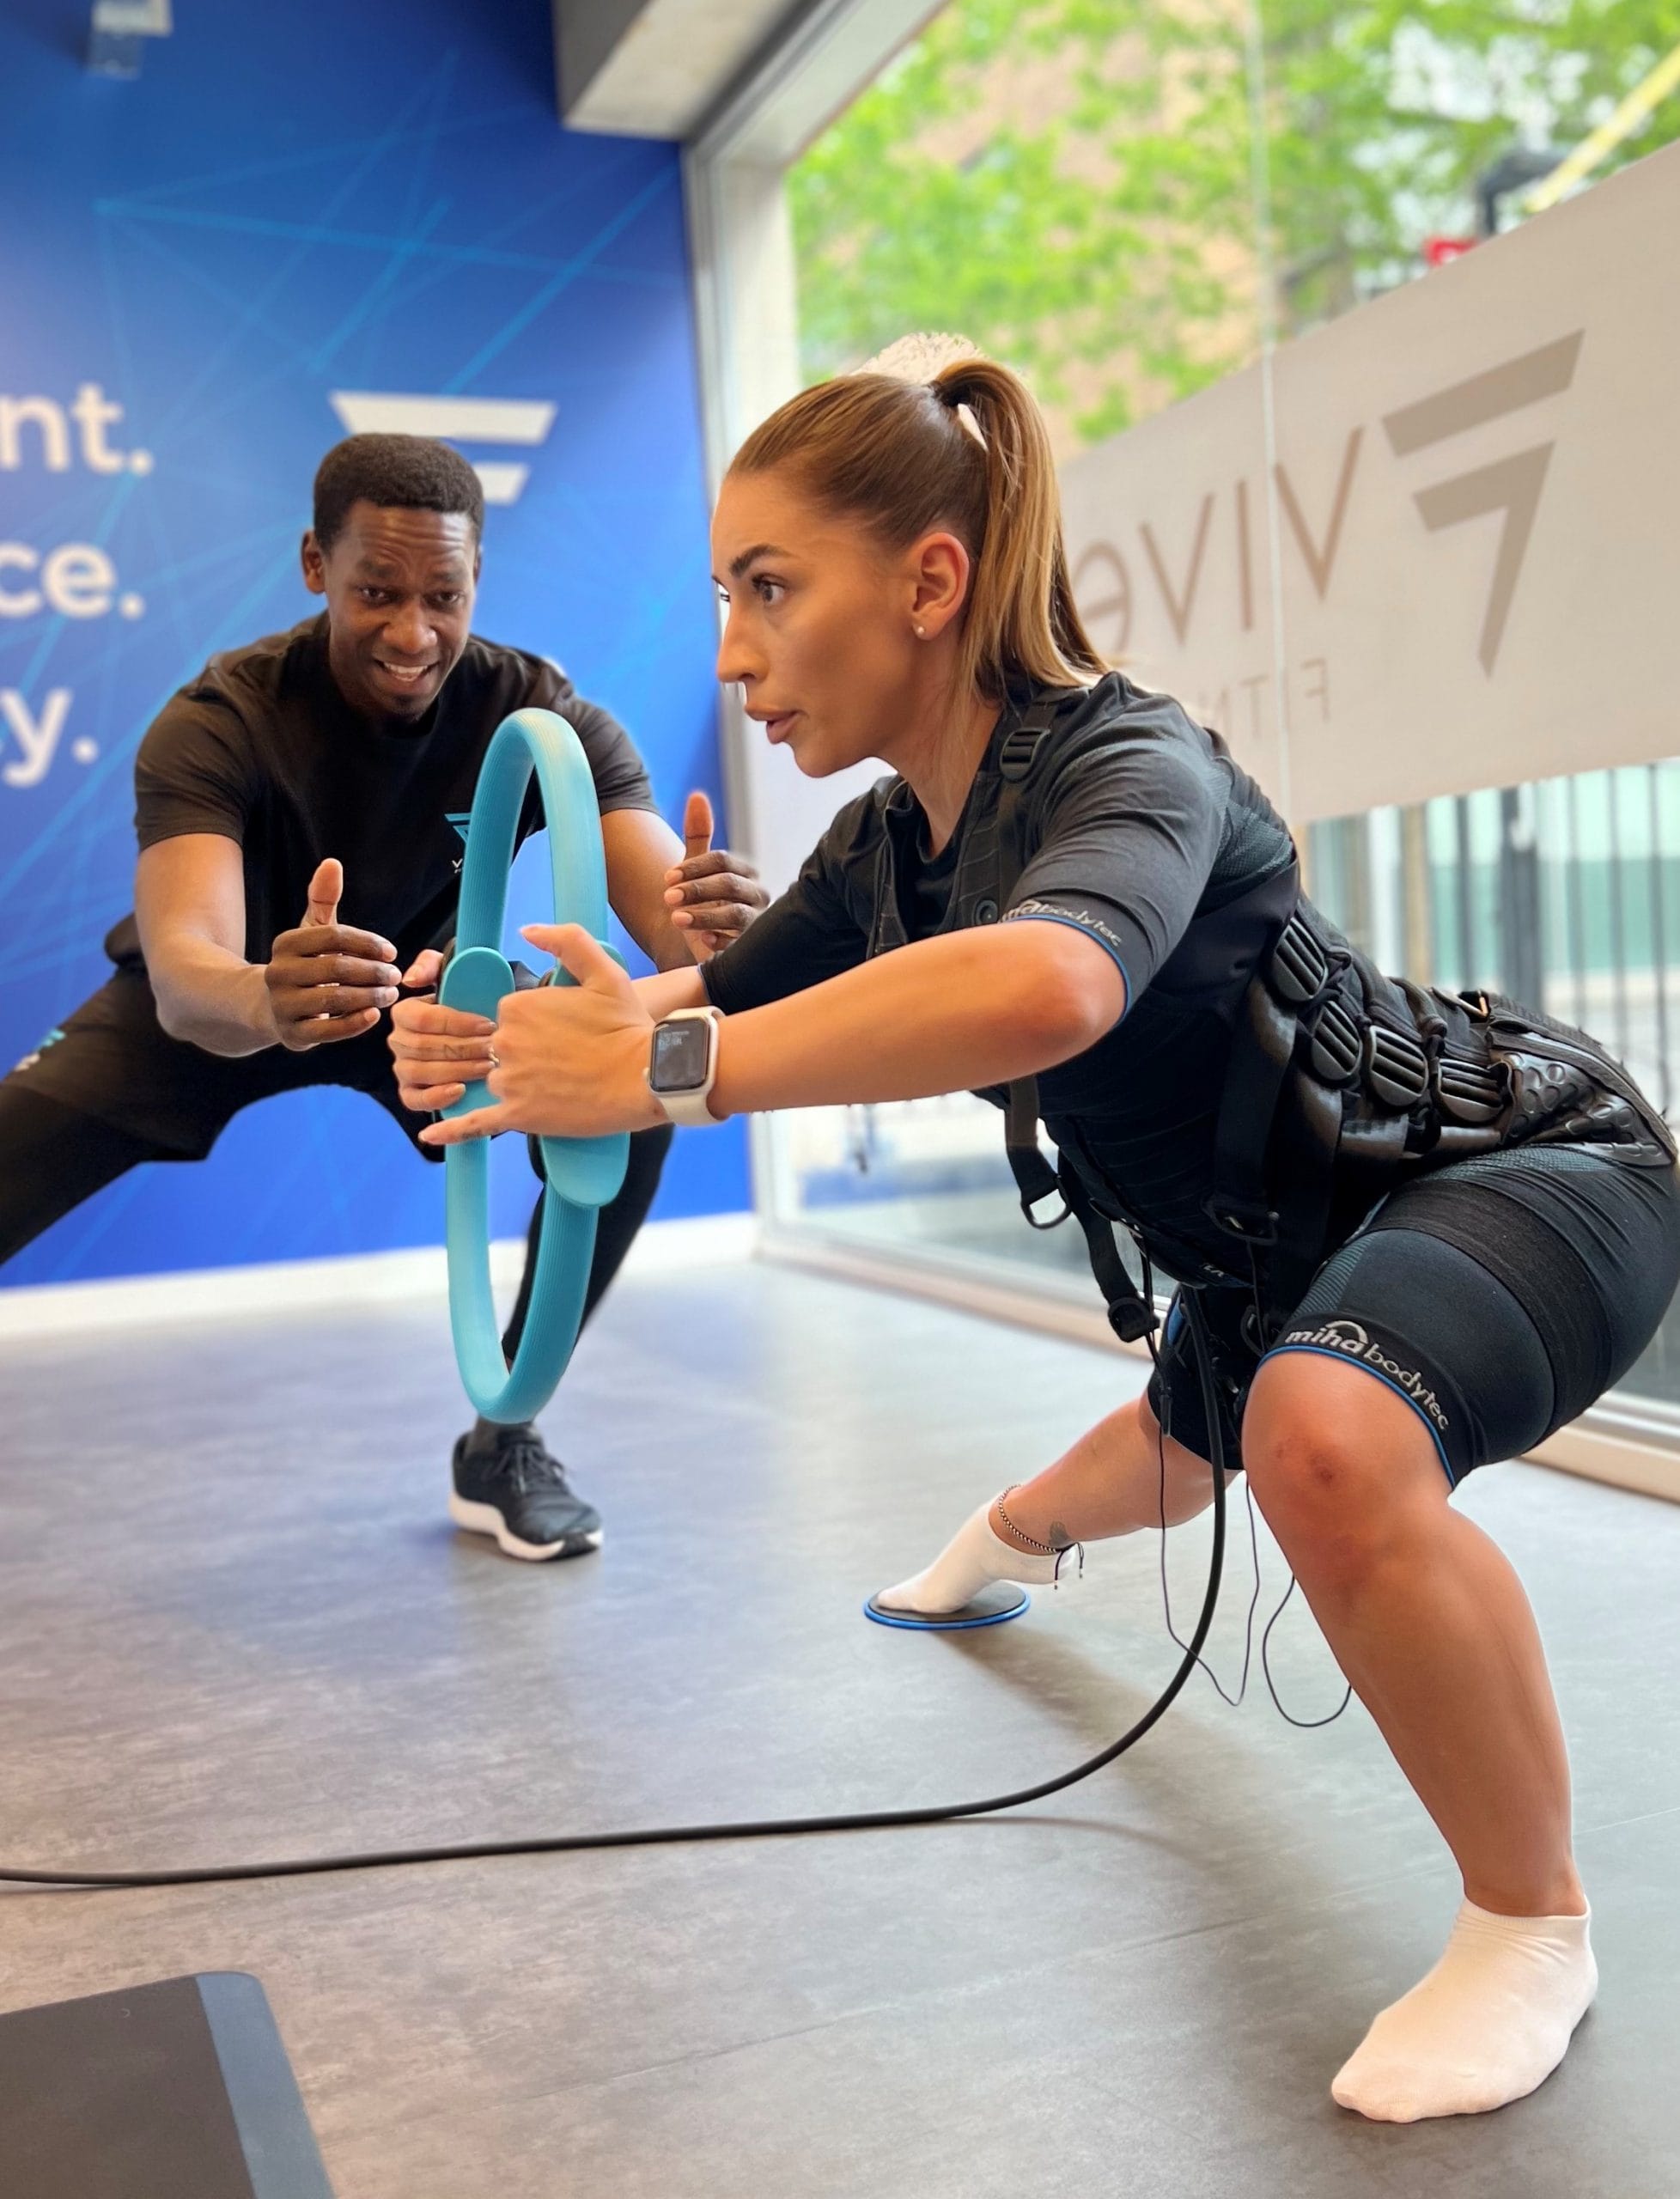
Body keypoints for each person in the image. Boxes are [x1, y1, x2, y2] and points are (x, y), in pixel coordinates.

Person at [391, 342, 1680, 2123]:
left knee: (1315, 1428)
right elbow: (684, 998)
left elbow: (1052, 980)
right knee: (1183, 1424)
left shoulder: (1129, 758)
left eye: (771, 588)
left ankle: (1532, 1924)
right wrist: (507, 1039)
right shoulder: (882, 851)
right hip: (1275, 1252)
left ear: (930, 580)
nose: (732, 652)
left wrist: (666, 1062)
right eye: (723, 596)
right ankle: (996, 1537)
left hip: (1527, 1159)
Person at [0, 432, 766, 1563]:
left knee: (637, 1088)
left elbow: (669, 918)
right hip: (237, 997)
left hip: (426, 1008)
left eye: (442, 596)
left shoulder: (541, 717)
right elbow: (184, 972)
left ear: (476, 583)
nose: (414, 633)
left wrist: (716, 924)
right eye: (376, 592)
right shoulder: (218, 720)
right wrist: (266, 993)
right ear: (315, 565)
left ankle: (502, 1442)